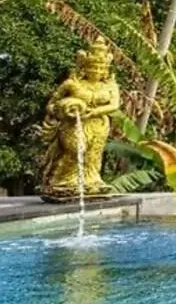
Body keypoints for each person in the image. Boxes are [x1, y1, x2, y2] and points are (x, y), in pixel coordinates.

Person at [39, 37, 120, 201]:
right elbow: (51, 104)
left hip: (99, 124)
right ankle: (61, 180)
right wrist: (63, 108)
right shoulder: (71, 84)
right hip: (73, 124)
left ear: (106, 69)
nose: (96, 71)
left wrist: (94, 112)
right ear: (84, 67)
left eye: (100, 68)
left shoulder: (110, 86)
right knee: (76, 150)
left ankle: (91, 181)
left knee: (93, 154)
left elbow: (114, 105)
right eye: (93, 67)